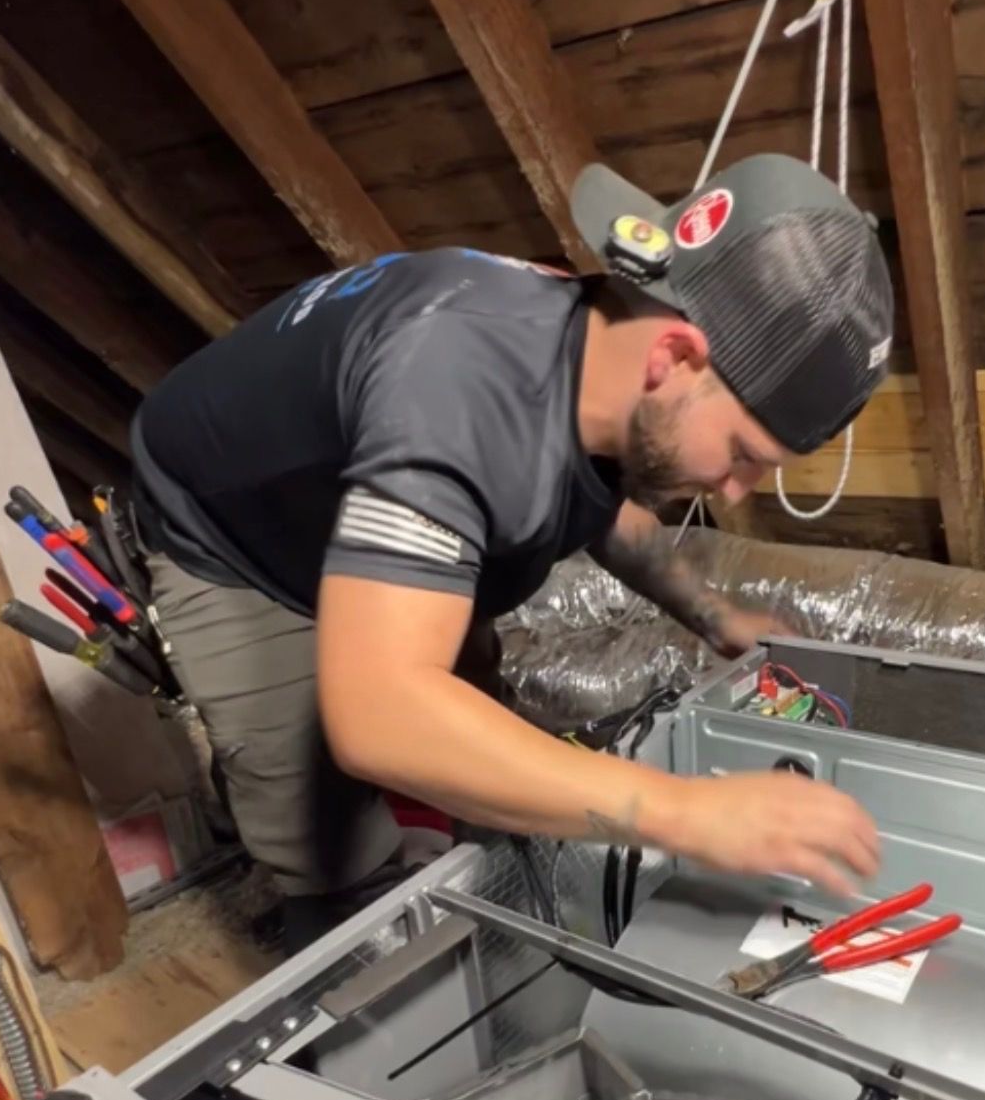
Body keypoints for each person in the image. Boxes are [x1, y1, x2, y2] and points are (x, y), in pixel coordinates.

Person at [131, 153, 893, 954]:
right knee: (333, 847)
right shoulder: (458, 386)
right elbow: (382, 713)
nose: (736, 491)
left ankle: (477, 905)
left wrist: (715, 615)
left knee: (481, 744)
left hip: (374, 479)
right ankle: (354, 980)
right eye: (743, 453)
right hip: (234, 532)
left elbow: (603, 502)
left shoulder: (610, 347)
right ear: (672, 357)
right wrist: (685, 812)